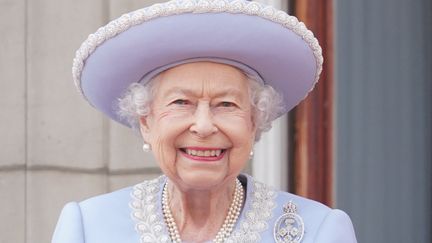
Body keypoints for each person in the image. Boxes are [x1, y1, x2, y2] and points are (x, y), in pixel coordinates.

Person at [52, 0, 357, 242]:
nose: (203, 126)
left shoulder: (317, 232)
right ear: (146, 121)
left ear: (254, 122)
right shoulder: (89, 228)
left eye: (226, 104)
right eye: (181, 102)